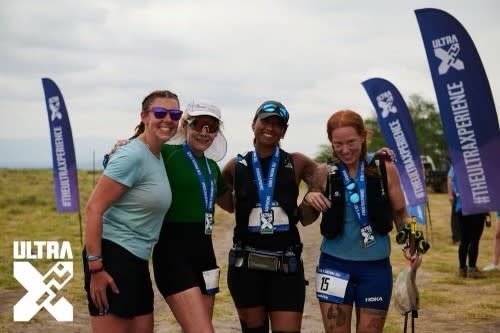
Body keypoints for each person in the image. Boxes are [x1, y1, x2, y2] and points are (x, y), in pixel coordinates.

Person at [302, 109, 415, 333]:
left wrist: (412, 245)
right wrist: (308, 199)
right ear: (331, 143)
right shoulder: (324, 172)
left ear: (363, 136)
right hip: (334, 266)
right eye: (338, 144)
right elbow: (305, 219)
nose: (345, 150)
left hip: (375, 269)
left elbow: (402, 214)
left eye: (351, 142)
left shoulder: (384, 169)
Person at [83, 89, 181, 333]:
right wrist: (96, 268)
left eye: (175, 114)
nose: (168, 119)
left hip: (136, 261)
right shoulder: (132, 155)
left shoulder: (155, 155)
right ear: (144, 116)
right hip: (113, 257)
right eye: (160, 112)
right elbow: (93, 209)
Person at [222, 100, 319, 333]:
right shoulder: (236, 165)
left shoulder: (297, 162)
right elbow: (225, 201)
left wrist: (312, 197)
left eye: (278, 124)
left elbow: (329, 175)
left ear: (284, 131)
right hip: (246, 265)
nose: (271, 128)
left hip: (286, 266)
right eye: (266, 121)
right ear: (253, 124)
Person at [151, 101, 233, 333]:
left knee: (199, 327)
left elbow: (232, 205)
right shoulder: (166, 153)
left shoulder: (212, 168)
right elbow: (133, 156)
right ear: (186, 125)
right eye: (198, 124)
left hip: (205, 256)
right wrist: (118, 148)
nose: (204, 132)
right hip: (173, 255)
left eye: (212, 126)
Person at [447, 165, 487, 278]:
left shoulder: (457, 161)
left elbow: (450, 180)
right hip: (477, 206)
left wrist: (451, 195)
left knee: (464, 239)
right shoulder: (477, 162)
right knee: (475, 239)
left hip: (462, 206)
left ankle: (462, 269)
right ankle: (472, 269)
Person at [447, 166, 461, 244]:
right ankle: (456, 238)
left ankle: (461, 237)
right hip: (456, 195)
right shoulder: (455, 165)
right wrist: (450, 194)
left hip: (464, 195)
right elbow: (449, 179)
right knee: (456, 217)